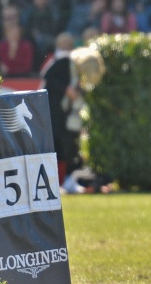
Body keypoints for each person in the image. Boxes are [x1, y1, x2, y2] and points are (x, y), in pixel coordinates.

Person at [40, 33, 106, 194]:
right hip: (51, 109)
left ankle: (66, 179)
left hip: (63, 114)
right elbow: (47, 77)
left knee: (66, 144)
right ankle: (58, 180)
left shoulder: (74, 70)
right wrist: (66, 89)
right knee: (57, 144)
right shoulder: (65, 61)